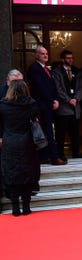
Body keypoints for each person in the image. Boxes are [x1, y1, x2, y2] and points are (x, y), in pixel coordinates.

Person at [0, 80, 41, 216]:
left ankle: (15, 207)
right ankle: (26, 206)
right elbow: (36, 119)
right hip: (27, 142)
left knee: (11, 173)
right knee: (27, 172)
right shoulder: (31, 104)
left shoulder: (3, 105)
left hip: (9, 142)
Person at [26, 45, 66, 165]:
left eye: (46, 53)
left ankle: (45, 156)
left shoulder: (47, 69)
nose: (45, 55)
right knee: (47, 131)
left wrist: (56, 99)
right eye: (42, 53)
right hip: (41, 105)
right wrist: (51, 101)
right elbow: (40, 88)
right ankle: (53, 157)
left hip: (49, 104)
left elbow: (53, 87)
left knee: (49, 130)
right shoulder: (34, 68)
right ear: (36, 55)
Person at [52, 50, 82, 160]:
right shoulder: (56, 72)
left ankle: (76, 152)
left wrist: (76, 98)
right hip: (63, 107)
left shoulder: (77, 71)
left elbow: (81, 88)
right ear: (62, 59)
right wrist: (68, 100)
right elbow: (58, 89)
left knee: (75, 131)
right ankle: (61, 154)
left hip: (75, 107)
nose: (71, 60)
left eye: (72, 58)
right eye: (68, 58)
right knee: (61, 133)